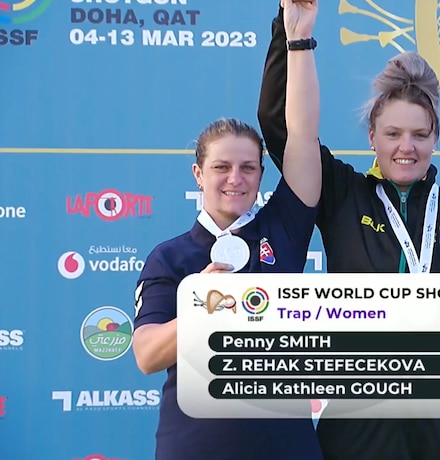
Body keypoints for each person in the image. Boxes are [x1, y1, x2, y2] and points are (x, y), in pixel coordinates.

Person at [257, 4, 440, 459]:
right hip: (359, 412)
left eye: (419, 134)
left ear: (435, 137)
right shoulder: (343, 193)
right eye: (393, 133)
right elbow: (281, 129)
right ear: (372, 138)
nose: (406, 147)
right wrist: (290, 30)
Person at [131, 2, 324, 459]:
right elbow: (146, 354)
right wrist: (202, 305)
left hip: (286, 447)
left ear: (261, 175)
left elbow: (302, 134)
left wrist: (298, 36)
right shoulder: (171, 256)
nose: (235, 178)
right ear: (198, 173)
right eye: (221, 167)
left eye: (248, 168)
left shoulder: (284, 230)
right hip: (195, 447)